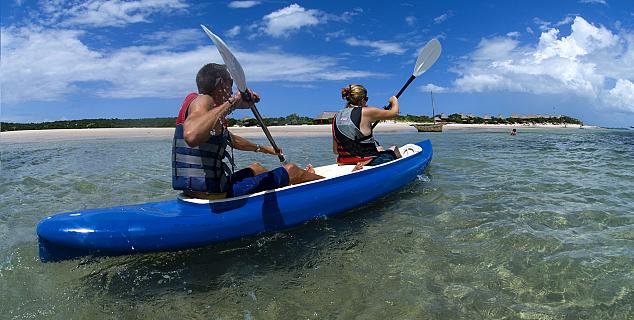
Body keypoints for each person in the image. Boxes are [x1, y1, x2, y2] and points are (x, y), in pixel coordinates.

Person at [173, 63, 323, 199]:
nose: (232, 89)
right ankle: (323, 182)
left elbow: (231, 140)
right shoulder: (203, 100)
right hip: (215, 193)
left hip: (195, 190)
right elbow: (191, 136)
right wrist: (233, 102)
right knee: (291, 170)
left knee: (257, 168)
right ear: (221, 83)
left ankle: (283, 191)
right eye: (230, 83)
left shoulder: (208, 114)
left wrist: (265, 149)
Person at [332, 84, 402, 170]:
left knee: (379, 148)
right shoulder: (366, 111)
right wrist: (394, 100)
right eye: (366, 99)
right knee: (394, 149)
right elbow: (394, 113)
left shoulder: (336, 116)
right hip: (366, 162)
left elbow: (335, 150)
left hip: (344, 162)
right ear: (362, 100)